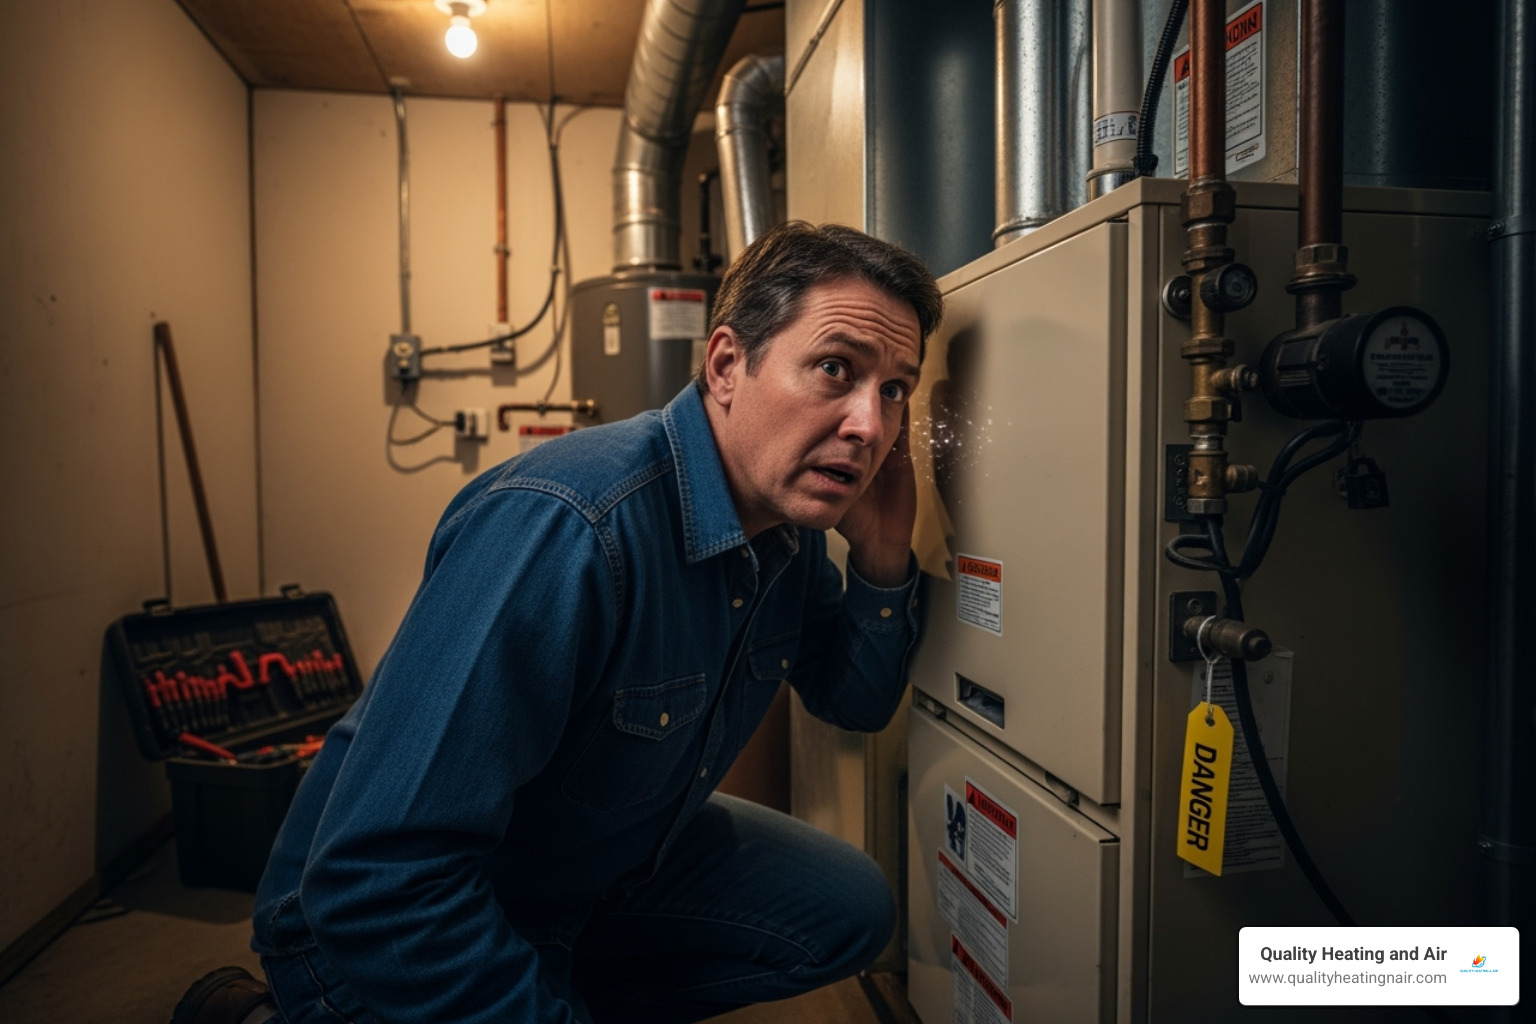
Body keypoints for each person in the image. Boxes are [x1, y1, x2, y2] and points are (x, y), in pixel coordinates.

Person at [175, 221, 943, 1024]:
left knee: (846, 906)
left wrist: (884, 560)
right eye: (835, 368)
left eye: (894, 389)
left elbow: (854, 703)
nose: (869, 424)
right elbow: (377, 881)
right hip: (372, 938)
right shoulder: (570, 525)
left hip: (583, 876)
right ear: (725, 365)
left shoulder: (782, 538)